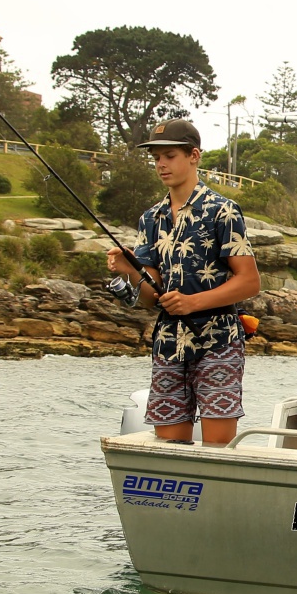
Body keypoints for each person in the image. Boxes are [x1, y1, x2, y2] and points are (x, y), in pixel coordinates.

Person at [106, 119, 261, 444]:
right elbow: (150, 297)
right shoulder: (151, 219)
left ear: (194, 156)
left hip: (218, 343)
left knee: (218, 452)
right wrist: (129, 270)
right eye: (156, 158)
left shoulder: (223, 211)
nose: (161, 164)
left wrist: (193, 302)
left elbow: (249, 282)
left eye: (170, 155)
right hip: (168, 346)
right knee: (169, 453)